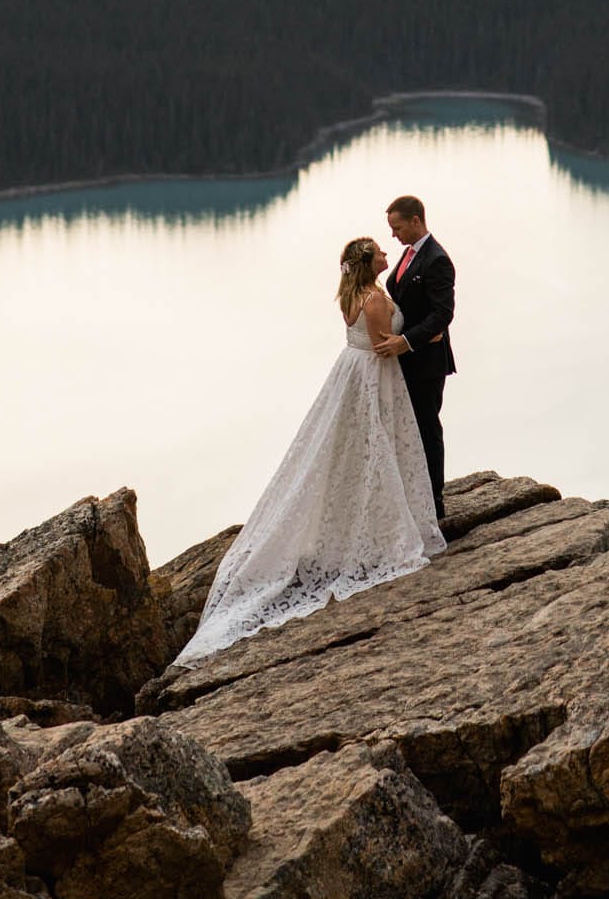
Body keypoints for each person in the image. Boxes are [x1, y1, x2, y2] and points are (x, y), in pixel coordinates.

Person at [175, 233, 444, 663]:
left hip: (350, 373)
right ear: (368, 261)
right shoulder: (374, 299)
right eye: (380, 252)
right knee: (376, 449)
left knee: (351, 452)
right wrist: (414, 341)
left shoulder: (351, 294)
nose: (386, 254)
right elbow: (381, 347)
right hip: (373, 377)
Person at [374, 195, 455, 522]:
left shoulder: (437, 259)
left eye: (397, 227)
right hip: (406, 361)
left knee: (426, 430)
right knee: (408, 429)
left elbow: (442, 315)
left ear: (415, 221)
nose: (393, 235)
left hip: (425, 363)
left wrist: (406, 341)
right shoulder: (409, 254)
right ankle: (413, 498)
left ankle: (434, 506)